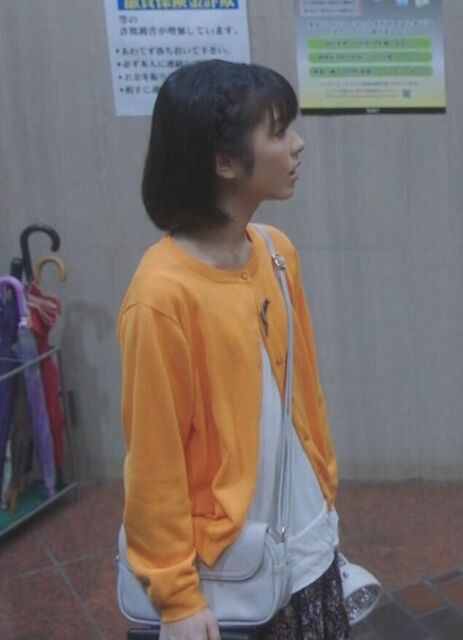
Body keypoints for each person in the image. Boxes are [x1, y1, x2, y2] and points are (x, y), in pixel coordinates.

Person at [118, 59, 350, 640]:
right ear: (224, 161)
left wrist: (324, 490)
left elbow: (304, 395)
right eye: (278, 131)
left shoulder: (276, 252)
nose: (297, 144)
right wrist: (177, 599)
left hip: (307, 543)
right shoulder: (160, 296)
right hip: (230, 573)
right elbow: (154, 464)